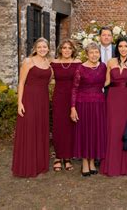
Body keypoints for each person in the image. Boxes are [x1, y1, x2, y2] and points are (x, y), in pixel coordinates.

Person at [12, 38, 52, 177]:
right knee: (29, 130)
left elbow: (49, 81)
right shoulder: (28, 62)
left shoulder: (49, 63)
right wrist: (20, 103)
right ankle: (26, 166)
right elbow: (21, 83)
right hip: (29, 99)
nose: (42, 49)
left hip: (43, 100)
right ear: (35, 48)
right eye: (39, 47)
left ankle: (39, 164)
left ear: (48, 48)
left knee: (40, 130)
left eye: (44, 47)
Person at [100, 36, 127, 176]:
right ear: (117, 48)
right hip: (112, 97)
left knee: (124, 129)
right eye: (120, 46)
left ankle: (126, 165)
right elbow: (106, 82)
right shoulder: (110, 62)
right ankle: (112, 164)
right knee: (112, 129)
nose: (123, 49)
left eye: (126, 46)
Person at [70, 42, 107, 177]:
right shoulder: (80, 68)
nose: (94, 55)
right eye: (91, 52)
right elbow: (74, 88)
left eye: (96, 52)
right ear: (87, 54)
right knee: (85, 132)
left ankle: (92, 161)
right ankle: (85, 162)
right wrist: (73, 108)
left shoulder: (103, 67)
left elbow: (107, 82)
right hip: (83, 104)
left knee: (95, 132)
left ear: (99, 54)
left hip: (99, 104)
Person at [50, 39, 81, 172]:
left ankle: (67, 157)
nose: (67, 50)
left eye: (69, 48)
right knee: (58, 126)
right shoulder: (53, 63)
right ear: (60, 50)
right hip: (59, 97)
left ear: (73, 50)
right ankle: (58, 156)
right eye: (64, 48)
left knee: (70, 126)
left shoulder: (78, 63)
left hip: (74, 98)